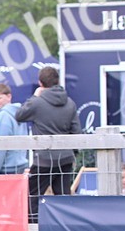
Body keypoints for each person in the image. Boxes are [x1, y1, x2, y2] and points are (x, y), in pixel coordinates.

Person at [15, 66, 81, 222]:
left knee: (33, 196)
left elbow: (19, 115)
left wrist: (34, 97)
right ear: (57, 81)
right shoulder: (70, 102)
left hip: (44, 158)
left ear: (40, 83)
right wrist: (73, 153)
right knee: (64, 198)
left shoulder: (38, 103)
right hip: (65, 158)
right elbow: (77, 131)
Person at [0, 83, 30, 176]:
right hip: (21, 164)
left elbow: (0, 147)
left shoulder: (3, 116)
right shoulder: (21, 113)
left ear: (9, 96)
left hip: (7, 167)